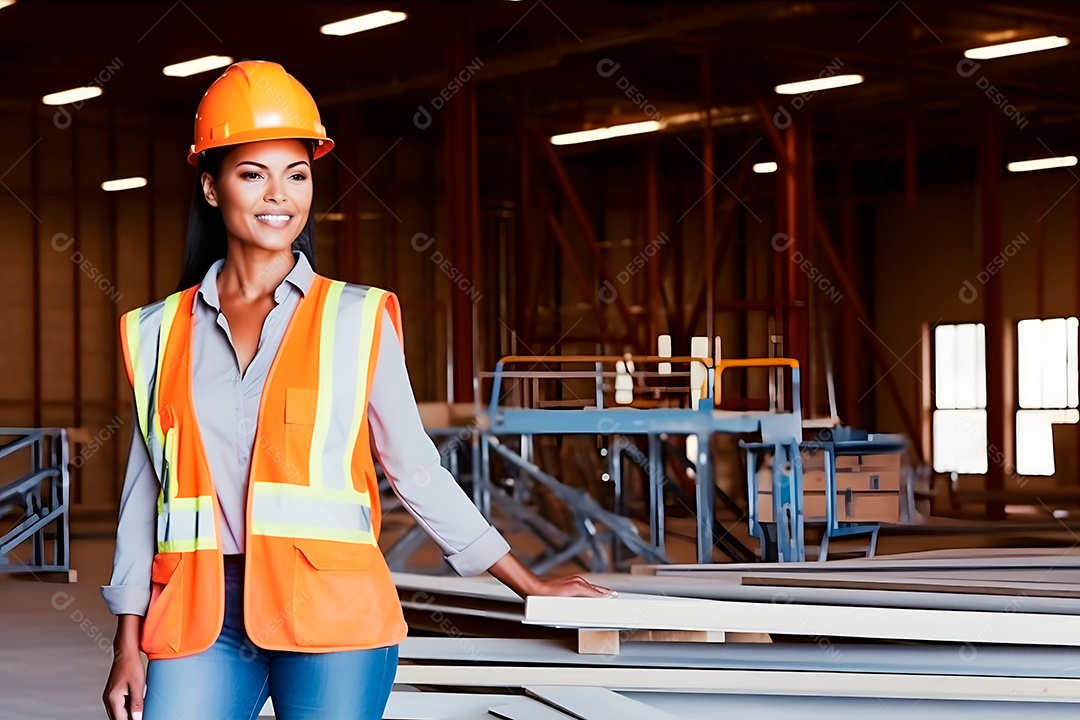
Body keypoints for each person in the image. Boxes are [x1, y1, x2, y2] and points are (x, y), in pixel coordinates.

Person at [100, 60, 613, 720]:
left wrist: (526, 582)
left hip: (332, 612)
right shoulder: (157, 331)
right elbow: (145, 493)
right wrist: (126, 640)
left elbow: (415, 469)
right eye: (252, 174)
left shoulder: (356, 318)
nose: (277, 195)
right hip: (199, 612)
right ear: (210, 186)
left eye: (296, 174)